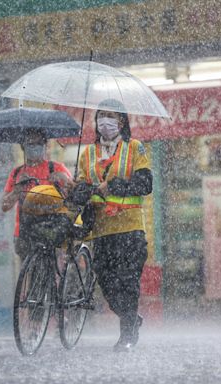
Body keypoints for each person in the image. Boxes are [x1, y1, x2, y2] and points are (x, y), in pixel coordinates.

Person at [75, 99, 152, 352]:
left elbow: (144, 184)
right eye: (100, 116)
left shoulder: (135, 149)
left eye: (111, 116)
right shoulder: (88, 154)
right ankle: (131, 319)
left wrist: (116, 185)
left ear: (121, 121)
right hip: (103, 232)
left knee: (128, 283)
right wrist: (77, 190)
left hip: (130, 230)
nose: (104, 122)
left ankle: (127, 335)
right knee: (107, 285)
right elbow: (81, 190)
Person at [1, 129, 72, 260]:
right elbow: (4, 206)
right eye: (30, 143)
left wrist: (63, 179)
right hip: (24, 232)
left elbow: (74, 196)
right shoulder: (17, 173)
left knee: (52, 269)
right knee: (28, 272)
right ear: (23, 146)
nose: (34, 147)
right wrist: (17, 189)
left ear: (45, 145)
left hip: (52, 229)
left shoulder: (56, 168)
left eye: (38, 143)